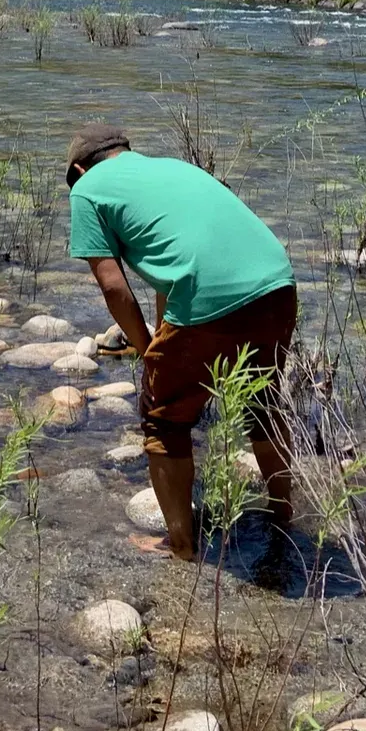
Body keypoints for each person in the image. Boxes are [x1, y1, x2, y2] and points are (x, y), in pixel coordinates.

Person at [66, 122, 297, 560]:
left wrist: (146, 348)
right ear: (125, 152)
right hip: (277, 285)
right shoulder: (173, 168)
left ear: (80, 168)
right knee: (261, 403)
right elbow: (171, 262)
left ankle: (181, 546)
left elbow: (113, 286)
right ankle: (283, 517)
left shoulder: (86, 189)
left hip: (210, 295)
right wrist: (162, 338)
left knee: (164, 420)